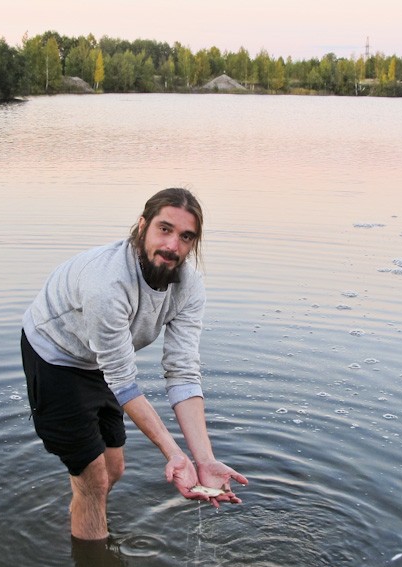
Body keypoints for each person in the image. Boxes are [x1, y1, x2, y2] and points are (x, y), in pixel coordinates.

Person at [21, 187, 247, 540]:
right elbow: (124, 382)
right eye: (165, 229)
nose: (173, 246)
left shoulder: (189, 287)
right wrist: (174, 454)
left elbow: (183, 373)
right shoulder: (107, 284)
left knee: (114, 469)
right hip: (56, 355)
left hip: (99, 361)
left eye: (186, 237)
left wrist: (203, 459)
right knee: (94, 479)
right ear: (142, 227)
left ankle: (84, 509)